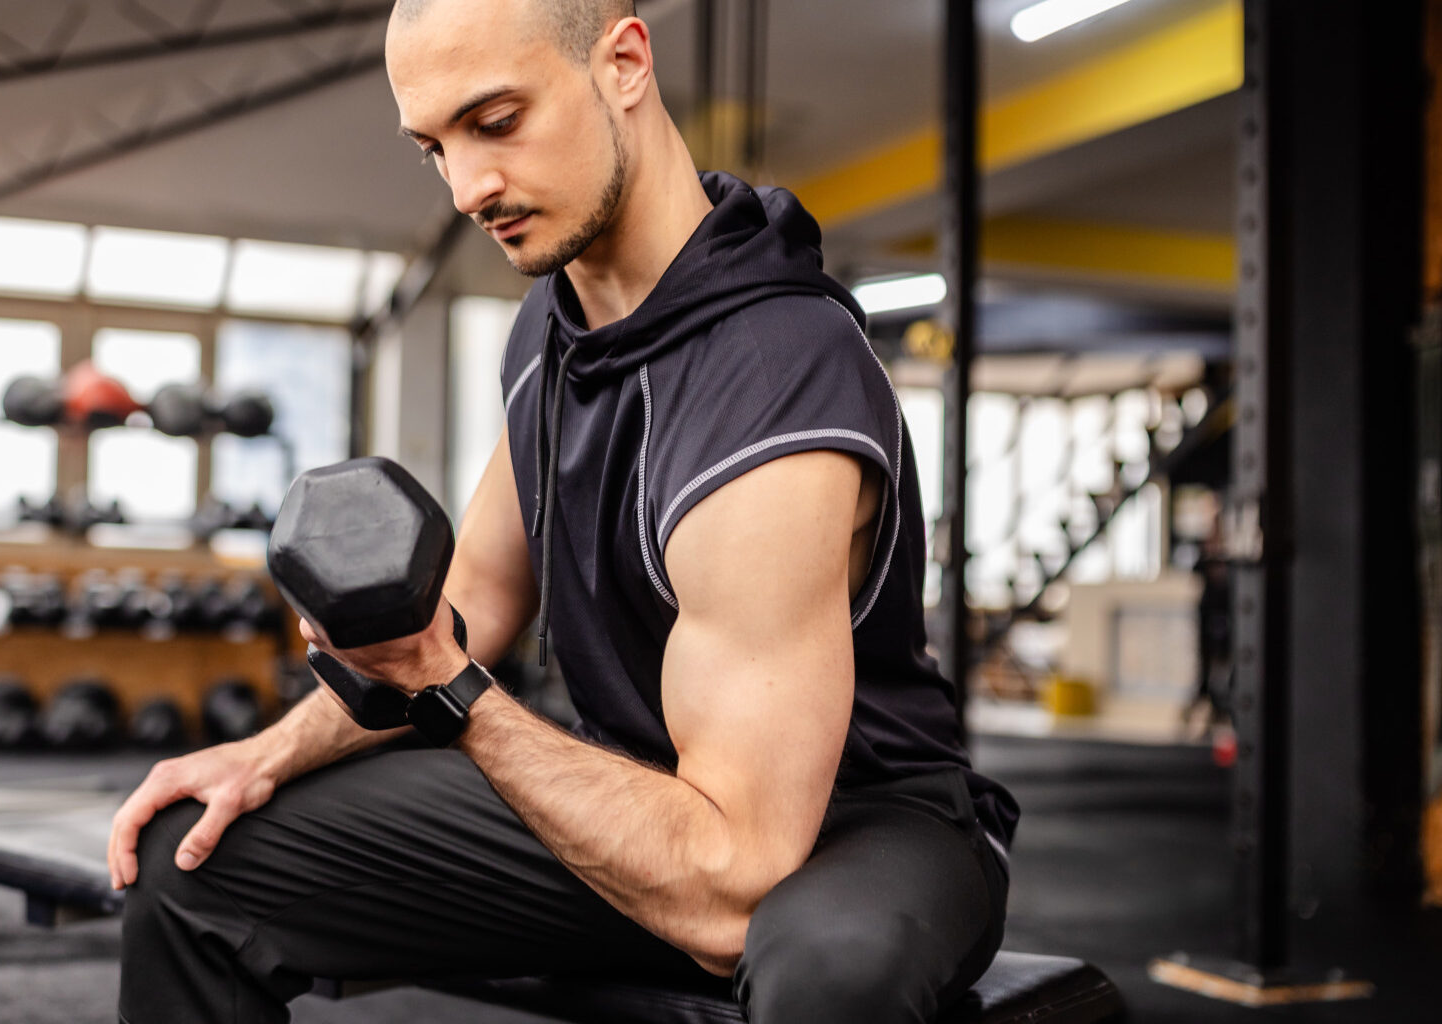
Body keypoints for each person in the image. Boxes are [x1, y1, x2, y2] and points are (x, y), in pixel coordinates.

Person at [108, 2, 1019, 1020]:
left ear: (623, 63)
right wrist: (266, 752)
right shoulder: (550, 324)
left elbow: (736, 876)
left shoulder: (777, 373)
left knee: (831, 976)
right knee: (193, 859)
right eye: (435, 149)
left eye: (495, 122)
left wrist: (454, 692)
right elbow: (472, 601)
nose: (467, 188)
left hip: (844, 828)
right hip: (626, 788)